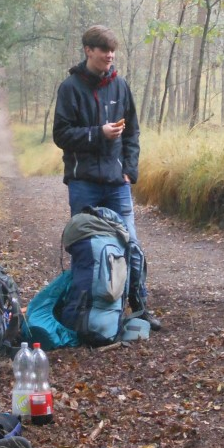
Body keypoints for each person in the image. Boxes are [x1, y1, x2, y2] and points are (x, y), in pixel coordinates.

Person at [53, 25, 162, 331]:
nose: (110, 56)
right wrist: (97, 133)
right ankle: (82, 313)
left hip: (117, 183)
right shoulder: (70, 88)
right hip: (83, 182)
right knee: (86, 248)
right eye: (104, 51)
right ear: (89, 50)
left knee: (132, 245)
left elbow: (133, 132)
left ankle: (139, 309)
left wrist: (129, 169)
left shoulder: (121, 86)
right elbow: (61, 135)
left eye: (113, 51)